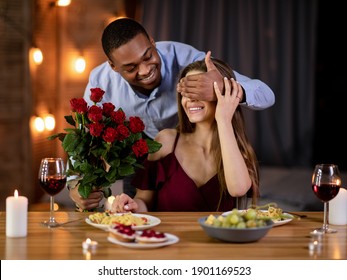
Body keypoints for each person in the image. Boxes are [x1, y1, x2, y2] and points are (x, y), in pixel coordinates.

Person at [69, 17, 271, 211]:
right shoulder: (102, 82)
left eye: (148, 57)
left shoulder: (188, 62)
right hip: (139, 151)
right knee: (134, 214)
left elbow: (266, 94)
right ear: (113, 67)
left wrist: (224, 88)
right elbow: (83, 138)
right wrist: (75, 184)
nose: (145, 70)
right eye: (131, 68)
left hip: (195, 140)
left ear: (152, 42)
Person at [111, 57, 259, 212]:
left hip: (217, 237)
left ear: (222, 94)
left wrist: (223, 119)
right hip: (166, 236)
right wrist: (132, 206)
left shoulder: (238, 151)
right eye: (186, 91)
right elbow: (144, 201)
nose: (190, 98)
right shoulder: (166, 141)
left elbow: (238, 189)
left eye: (199, 90)